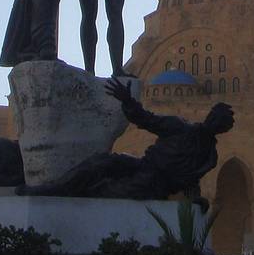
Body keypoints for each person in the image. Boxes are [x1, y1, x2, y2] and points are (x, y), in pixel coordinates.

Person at [17, 78, 234, 201]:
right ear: (210, 116)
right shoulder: (179, 127)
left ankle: (68, 200)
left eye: (222, 123)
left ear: (222, 129)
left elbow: (191, 181)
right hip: (143, 165)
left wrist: (196, 200)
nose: (216, 123)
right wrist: (127, 100)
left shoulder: (209, 157)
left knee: (110, 192)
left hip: (156, 185)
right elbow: (146, 119)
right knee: (103, 162)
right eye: (216, 118)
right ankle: (49, 190)